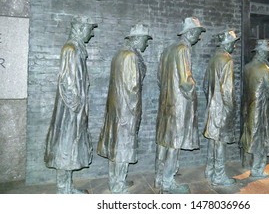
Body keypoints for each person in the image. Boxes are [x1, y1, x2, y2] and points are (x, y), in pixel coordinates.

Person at [44, 15, 98, 194]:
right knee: (65, 146)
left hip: (75, 109)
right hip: (69, 111)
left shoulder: (76, 49)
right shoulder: (70, 49)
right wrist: (76, 108)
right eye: (89, 30)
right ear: (81, 28)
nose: (91, 34)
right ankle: (63, 191)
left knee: (70, 147)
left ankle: (67, 188)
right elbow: (67, 82)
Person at [97, 23, 152, 194]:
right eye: (145, 40)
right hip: (126, 110)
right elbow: (132, 88)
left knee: (118, 146)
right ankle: (118, 185)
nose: (146, 43)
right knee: (123, 147)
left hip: (117, 109)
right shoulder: (129, 56)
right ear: (136, 39)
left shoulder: (120, 54)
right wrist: (135, 112)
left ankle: (116, 180)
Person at [155, 17, 206, 193]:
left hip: (166, 102)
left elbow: (160, 78)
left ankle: (159, 178)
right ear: (190, 32)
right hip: (178, 104)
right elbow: (186, 81)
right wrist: (194, 93)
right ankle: (168, 182)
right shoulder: (183, 49)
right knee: (174, 143)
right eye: (198, 34)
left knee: (164, 141)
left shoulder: (168, 50)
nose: (198, 38)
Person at [203, 30, 239, 186]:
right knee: (220, 142)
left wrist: (211, 102)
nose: (234, 46)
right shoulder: (226, 60)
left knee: (213, 140)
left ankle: (209, 170)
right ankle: (219, 175)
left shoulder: (213, 60)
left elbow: (205, 86)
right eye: (233, 43)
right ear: (227, 44)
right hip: (222, 108)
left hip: (212, 108)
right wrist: (231, 109)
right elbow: (227, 89)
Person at [240, 39, 269, 178]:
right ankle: (257, 169)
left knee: (248, 135)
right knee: (260, 138)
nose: (268, 55)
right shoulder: (265, 69)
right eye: (267, 53)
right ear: (261, 52)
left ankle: (246, 163)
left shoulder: (247, 67)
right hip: (260, 108)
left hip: (248, 107)